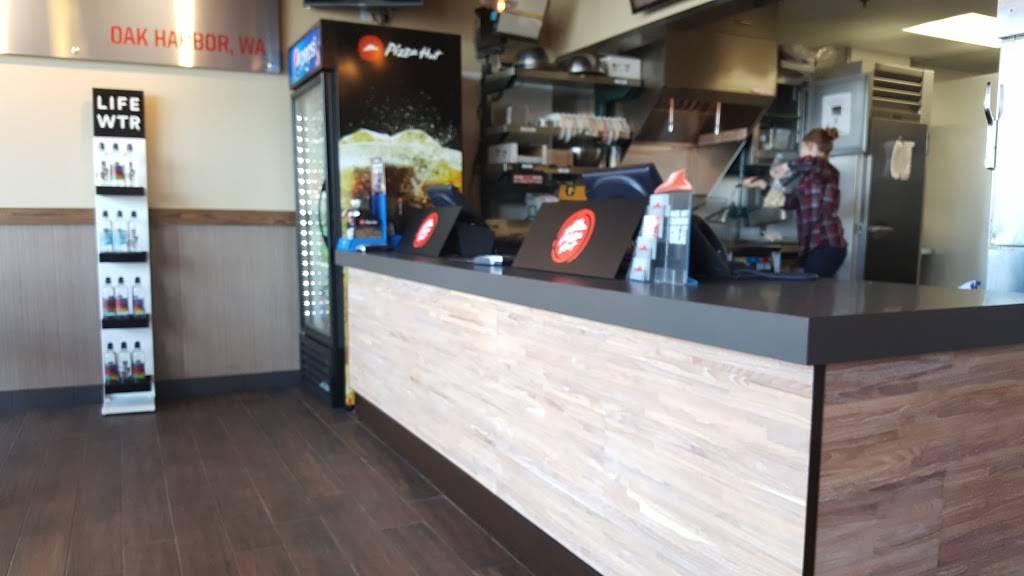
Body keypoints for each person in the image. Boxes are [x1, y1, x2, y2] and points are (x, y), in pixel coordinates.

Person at [744, 128, 848, 278]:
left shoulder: (827, 170)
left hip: (826, 244)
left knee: (814, 289)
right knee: (813, 289)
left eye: (802, 149)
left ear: (812, 146)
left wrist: (784, 167)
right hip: (813, 247)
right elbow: (790, 202)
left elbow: (812, 162)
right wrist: (762, 185)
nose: (800, 155)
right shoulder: (807, 179)